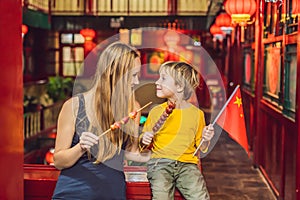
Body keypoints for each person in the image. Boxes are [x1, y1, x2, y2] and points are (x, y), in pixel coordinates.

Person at [52, 41, 150, 200]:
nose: (136, 82)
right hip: (73, 193)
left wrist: (155, 149)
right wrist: (80, 147)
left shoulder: (133, 108)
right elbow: (59, 161)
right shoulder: (74, 106)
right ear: (114, 73)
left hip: (112, 193)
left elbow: (132, 154)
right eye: (132, 75)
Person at [140, 61, 214, 200]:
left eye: (163, 78)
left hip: (187, 165)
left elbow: (200, 146)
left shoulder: (197, 114)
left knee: (201, 197)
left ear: (179, 87)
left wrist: (206, 138)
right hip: (160, 164)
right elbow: (143, 145)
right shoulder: (156, 111)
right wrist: (144, 139)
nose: (157, 82)